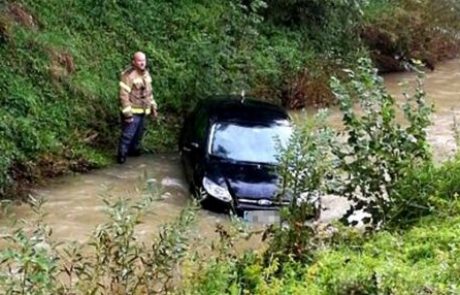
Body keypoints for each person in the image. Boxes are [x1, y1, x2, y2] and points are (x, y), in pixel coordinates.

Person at [117, 51, 158, 164]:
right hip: (132, 112)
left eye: (143, 60)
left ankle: (133, 151)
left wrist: (153, 106)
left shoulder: (146, 74)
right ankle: (122, 155)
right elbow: (123, 96)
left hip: (143, 111)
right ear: (134, 62)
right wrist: (128, 114)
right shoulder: (128, 76)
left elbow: (149, 93)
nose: (142, 63)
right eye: (139, 61)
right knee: (127, 135)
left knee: (138, 135)